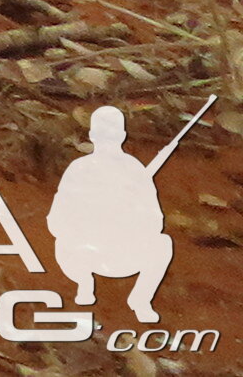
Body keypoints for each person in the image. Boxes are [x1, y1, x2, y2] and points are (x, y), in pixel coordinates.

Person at [47, 104, 175, 324]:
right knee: (162, 244)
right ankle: (85, 283)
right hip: (87, 253)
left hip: (117, 254)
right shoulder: (84, 170)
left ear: (92, 135)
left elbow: (154, 221)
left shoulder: (131, 171)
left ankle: (139, 299)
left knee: (162, 243)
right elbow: (57, 220)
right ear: (122, 135)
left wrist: (125, 217)